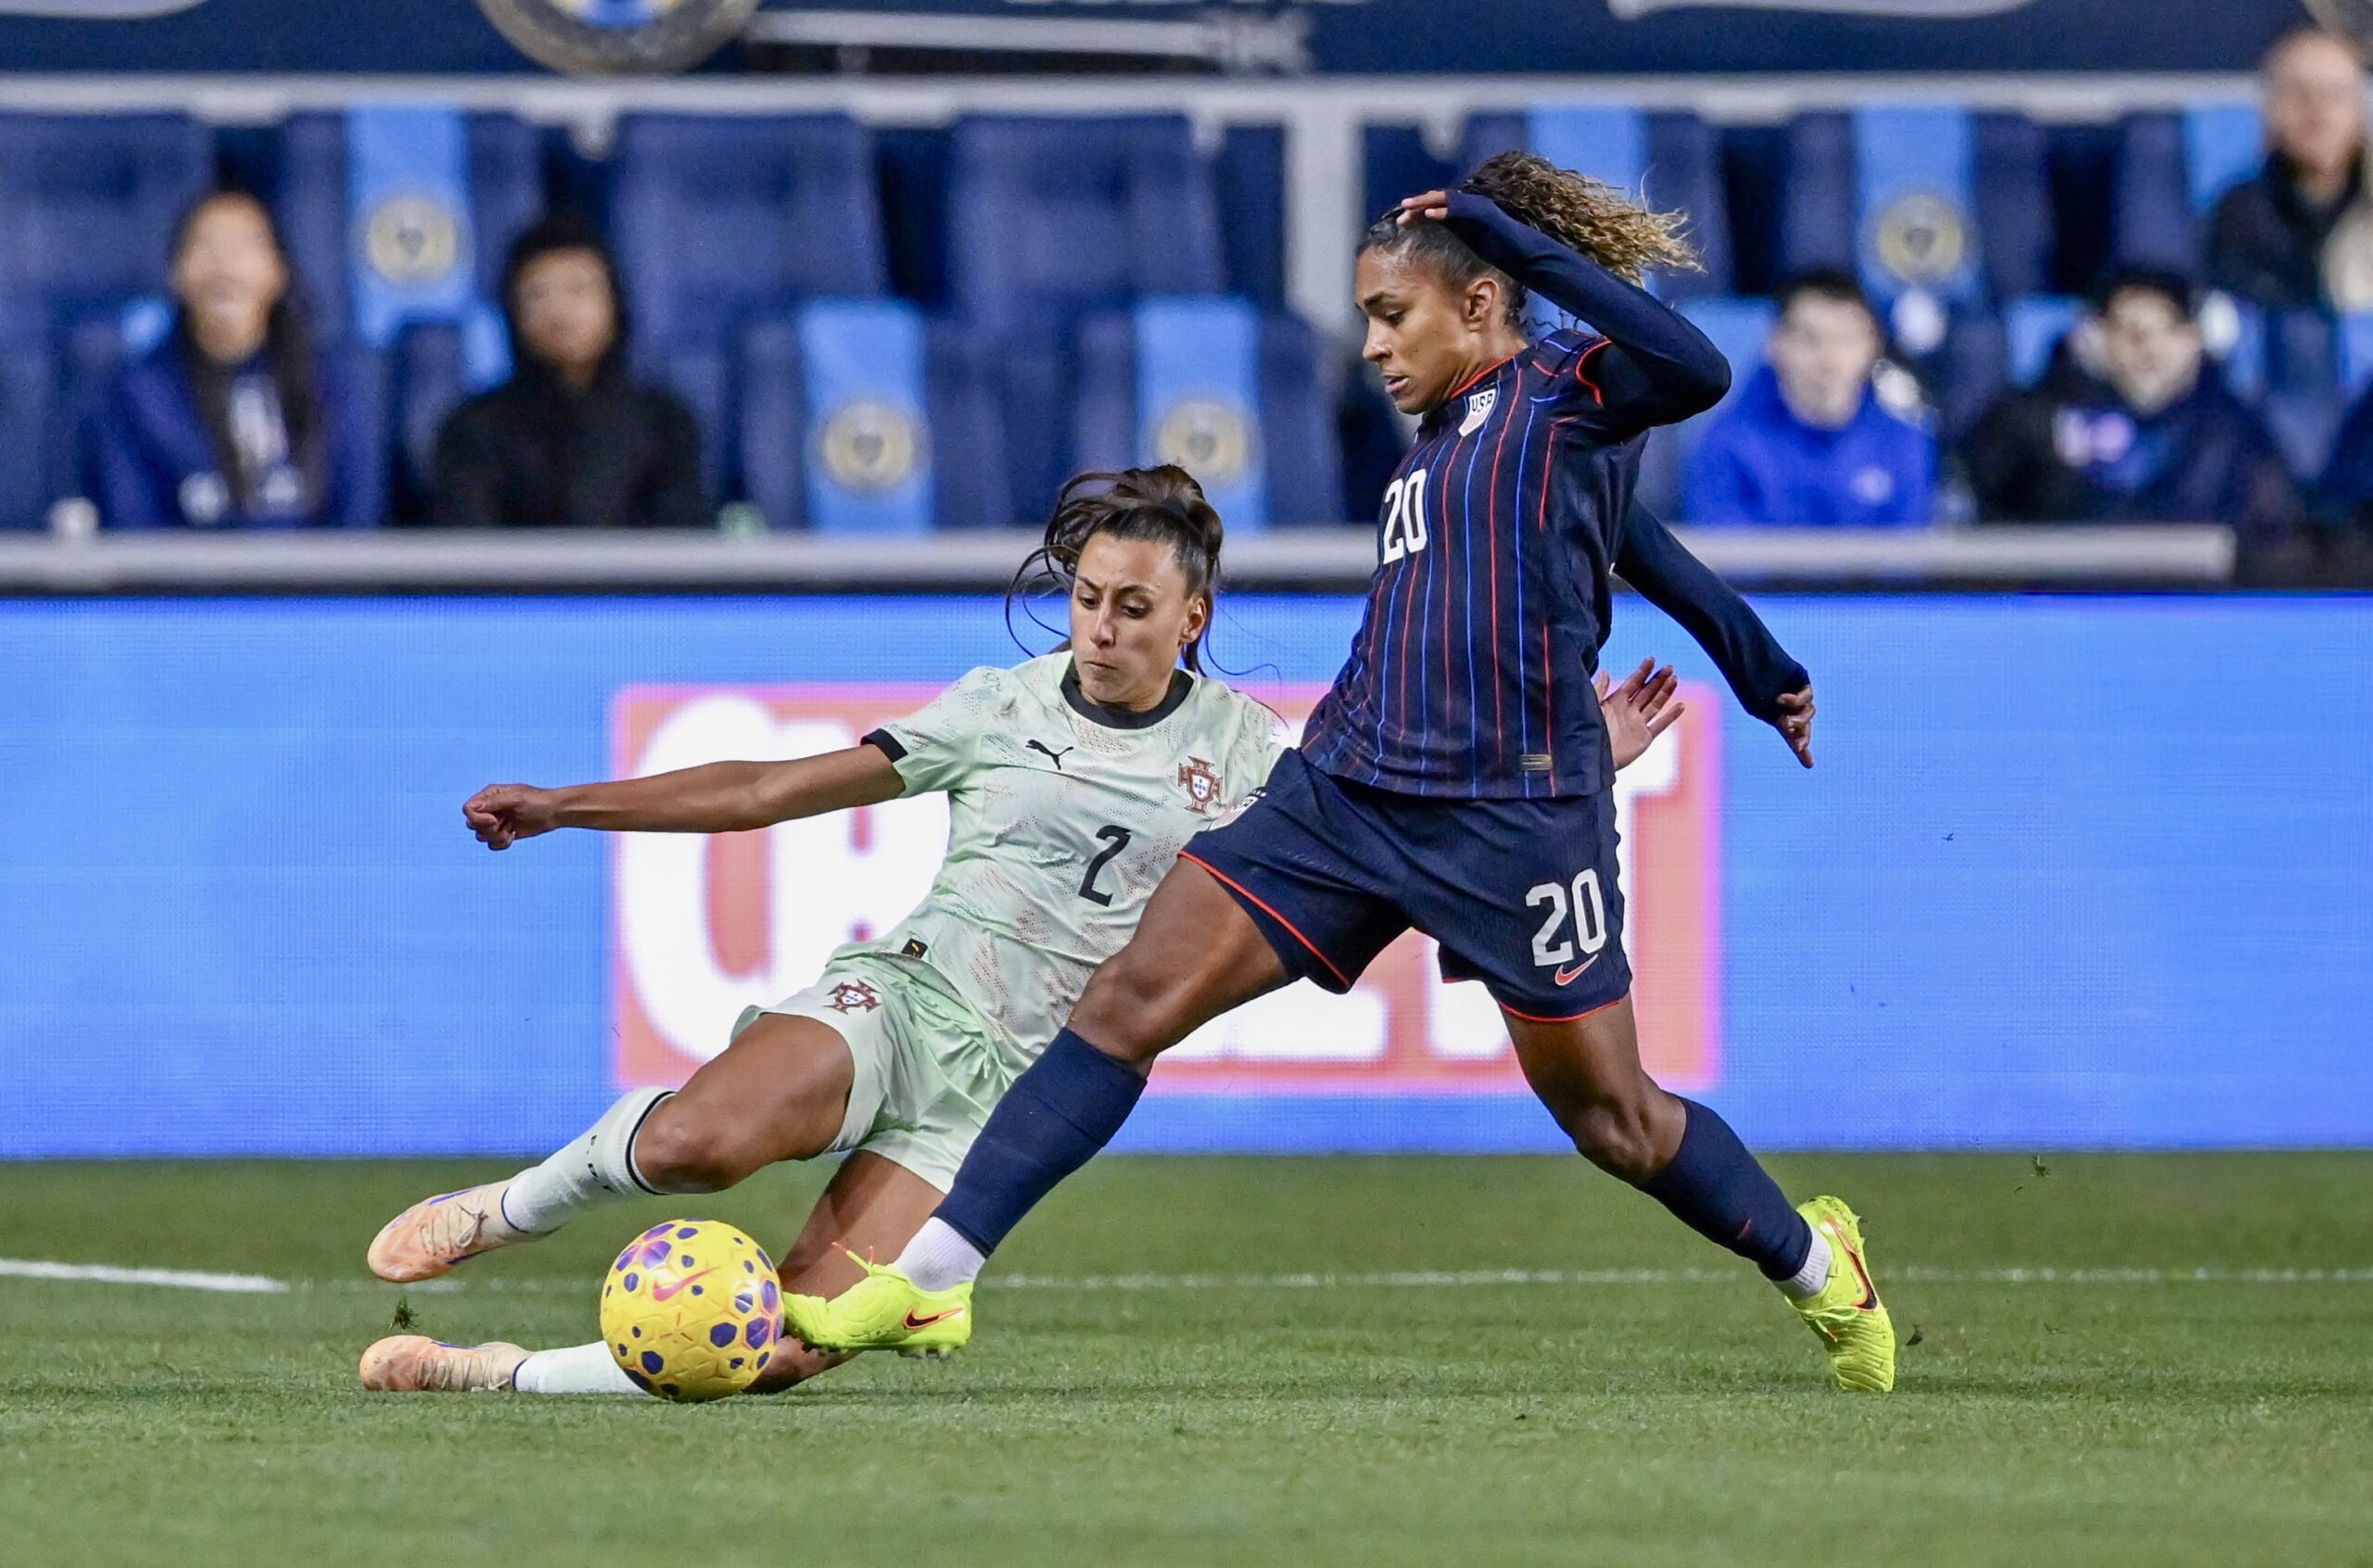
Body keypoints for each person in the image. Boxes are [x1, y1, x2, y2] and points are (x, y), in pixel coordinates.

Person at [788, 153, 1897, 1395]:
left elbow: (1702, 371)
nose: (1369, 345)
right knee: (1123, 1007)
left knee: (1617, 1121)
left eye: (1391, 313)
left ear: (1479, 302)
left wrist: (1753, 667)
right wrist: (1755, 658)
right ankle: (934, 1278)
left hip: (1514, 823)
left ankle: (1818, 1265)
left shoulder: (1565, 394)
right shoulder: (1447, 436)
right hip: (1349, 790)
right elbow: (1641, 549)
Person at [352, 462, 1695, 1398]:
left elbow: (1408, 847)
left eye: (1129, 607)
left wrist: (1579, 767)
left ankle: (489, 1376)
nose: (1098, 630)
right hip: (909, 1000)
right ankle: (503, 1210)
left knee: (791, 1338)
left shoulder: (1255, 760)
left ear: (1193, 617)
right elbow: (772, 788)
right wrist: (568, 805)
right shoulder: (1002, 705)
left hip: (1012, 1100)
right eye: (1085, 598)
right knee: (703, 1143)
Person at [91, 190, 375, 530]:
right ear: (176, 272)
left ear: (278, 271)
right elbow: (133, 527)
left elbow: (359, 521)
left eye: (244, 246)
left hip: (312, 581)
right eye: (206, 246)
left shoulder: (329, 383)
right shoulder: (138, 391)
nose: (224, 267)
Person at [1961, 267, 2303, 537]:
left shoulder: (2234, 432)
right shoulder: (2033, 419)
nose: (2148, 349)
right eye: (2130, 332)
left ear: (2193, 341)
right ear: (2094, 338)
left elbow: (2274, 531)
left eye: (2166, 330)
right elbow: (1982, 502)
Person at [425, 213, 707, 529]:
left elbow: (682, 544)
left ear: (615, 302)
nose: (559, 313)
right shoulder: (472, 428)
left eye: (579, 290)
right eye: (537, 294)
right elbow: (467, 550)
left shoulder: (666, 422)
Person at [1684, 269, 1935, 527]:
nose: (1828, 356)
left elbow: (1907, 558)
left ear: (1872, 345)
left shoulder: (1905, 440)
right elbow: (1724, 557)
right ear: (1775, 343)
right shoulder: (1725, 442)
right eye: (1809, 338)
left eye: (1845, 338)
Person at [2207, 27, 2373, 313]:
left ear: (2360, 109)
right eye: (2299, 93)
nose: (2318, 111)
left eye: (2334, 94)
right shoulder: (2240, 216)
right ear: (2270, 110)